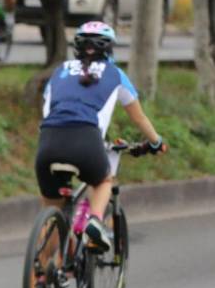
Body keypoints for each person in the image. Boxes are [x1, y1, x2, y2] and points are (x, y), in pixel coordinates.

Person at [35, 21, 166, 257]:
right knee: (104, 181)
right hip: (86, 140)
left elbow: (47, 111)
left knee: (52, 216)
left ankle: (41, 278)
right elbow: (139, 119)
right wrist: (156, 142)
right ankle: (94, 221)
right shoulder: (115, 74)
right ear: (109, 49)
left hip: (48, 141)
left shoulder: (60, 71)